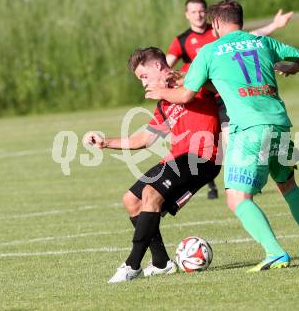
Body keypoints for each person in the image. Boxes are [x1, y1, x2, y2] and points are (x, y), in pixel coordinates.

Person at [146, 0, 299, 272]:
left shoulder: (209, 51)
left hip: (250, 129)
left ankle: (275, 252)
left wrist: (160, 92)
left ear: (216, 23)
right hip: (279, 123)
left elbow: (186, 95)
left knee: (237, 198)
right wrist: (291, 68)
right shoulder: (263, 42)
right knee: (288, 185)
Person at [84, 47, 221, 283]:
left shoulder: (191, 74)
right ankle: (161, 263)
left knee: (151, 193)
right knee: (131, 199)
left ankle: (132, 265)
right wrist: (106, 142)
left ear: (158, 66)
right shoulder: (164, 104)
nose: (143, 83)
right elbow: (144, 139)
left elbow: (217, 86)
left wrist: (178, 79)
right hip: (178, 158)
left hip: (202, 157)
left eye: (144, 76)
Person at [166, 0, 295, 199]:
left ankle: (242, 183)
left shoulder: (218, 31)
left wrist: (274, 25)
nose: (198, 14)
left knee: (230, 141)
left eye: (201, 10)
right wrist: (165, 77)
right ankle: (210, 185)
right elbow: (167, 64)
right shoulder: (182, 40)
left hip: (225, 96)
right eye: (194, 11)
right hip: (200, 98)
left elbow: (248, 39)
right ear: (187, 15)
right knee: (202, 142)